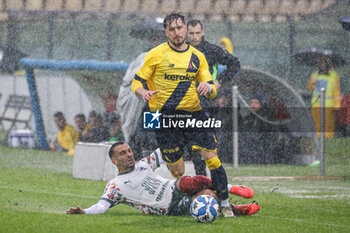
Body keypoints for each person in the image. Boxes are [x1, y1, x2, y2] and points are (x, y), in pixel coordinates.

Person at [131, 13, 234, 217]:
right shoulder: (155, 54)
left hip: (193, 114)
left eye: (180, 28)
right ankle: (188, 197)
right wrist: (143, 92)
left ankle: (225, 203)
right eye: (172, 29)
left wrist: (208, 87)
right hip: (163, 117)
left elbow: (211, 89)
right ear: (166, 32)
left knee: (212, 158)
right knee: (177, 171)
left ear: (186, 29)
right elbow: (137, 82)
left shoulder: (198, 56)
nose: (177, 33)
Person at [66, 141, 260, 217]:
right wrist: (84, 212)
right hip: (168, 208)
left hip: (174, 187)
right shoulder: (115, 186)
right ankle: (236, 210)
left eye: (129, 151)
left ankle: (231, 187)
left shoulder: (144, 163)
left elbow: (164, 151)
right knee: (206, 198)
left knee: (189, 181)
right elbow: (101, 206)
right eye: (123, 153)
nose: (129, 155)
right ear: (114, 160)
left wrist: (180, 136)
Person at [186, 19, 240, 89]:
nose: (195, 37)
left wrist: (219, 81)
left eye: (197, 33)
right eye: (191, 33)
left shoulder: (212, 50)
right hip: (185, 96)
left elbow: (235, 63)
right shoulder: (180, 50)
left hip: (206, 95)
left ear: (202, 32)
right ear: (186, 33)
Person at [308, 56, 341, 138]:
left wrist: (337, 106)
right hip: (316, 105)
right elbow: (310, 88)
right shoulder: (314, 74)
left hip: (328, 106)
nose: (323, 65)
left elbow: (336, 92)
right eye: (321, 63)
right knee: (317, 125)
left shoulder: (334, 75)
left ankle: (328, 141)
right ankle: (318, 140)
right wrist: (312, 82)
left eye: (324, 63)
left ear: (328, 64)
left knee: (328, 126)